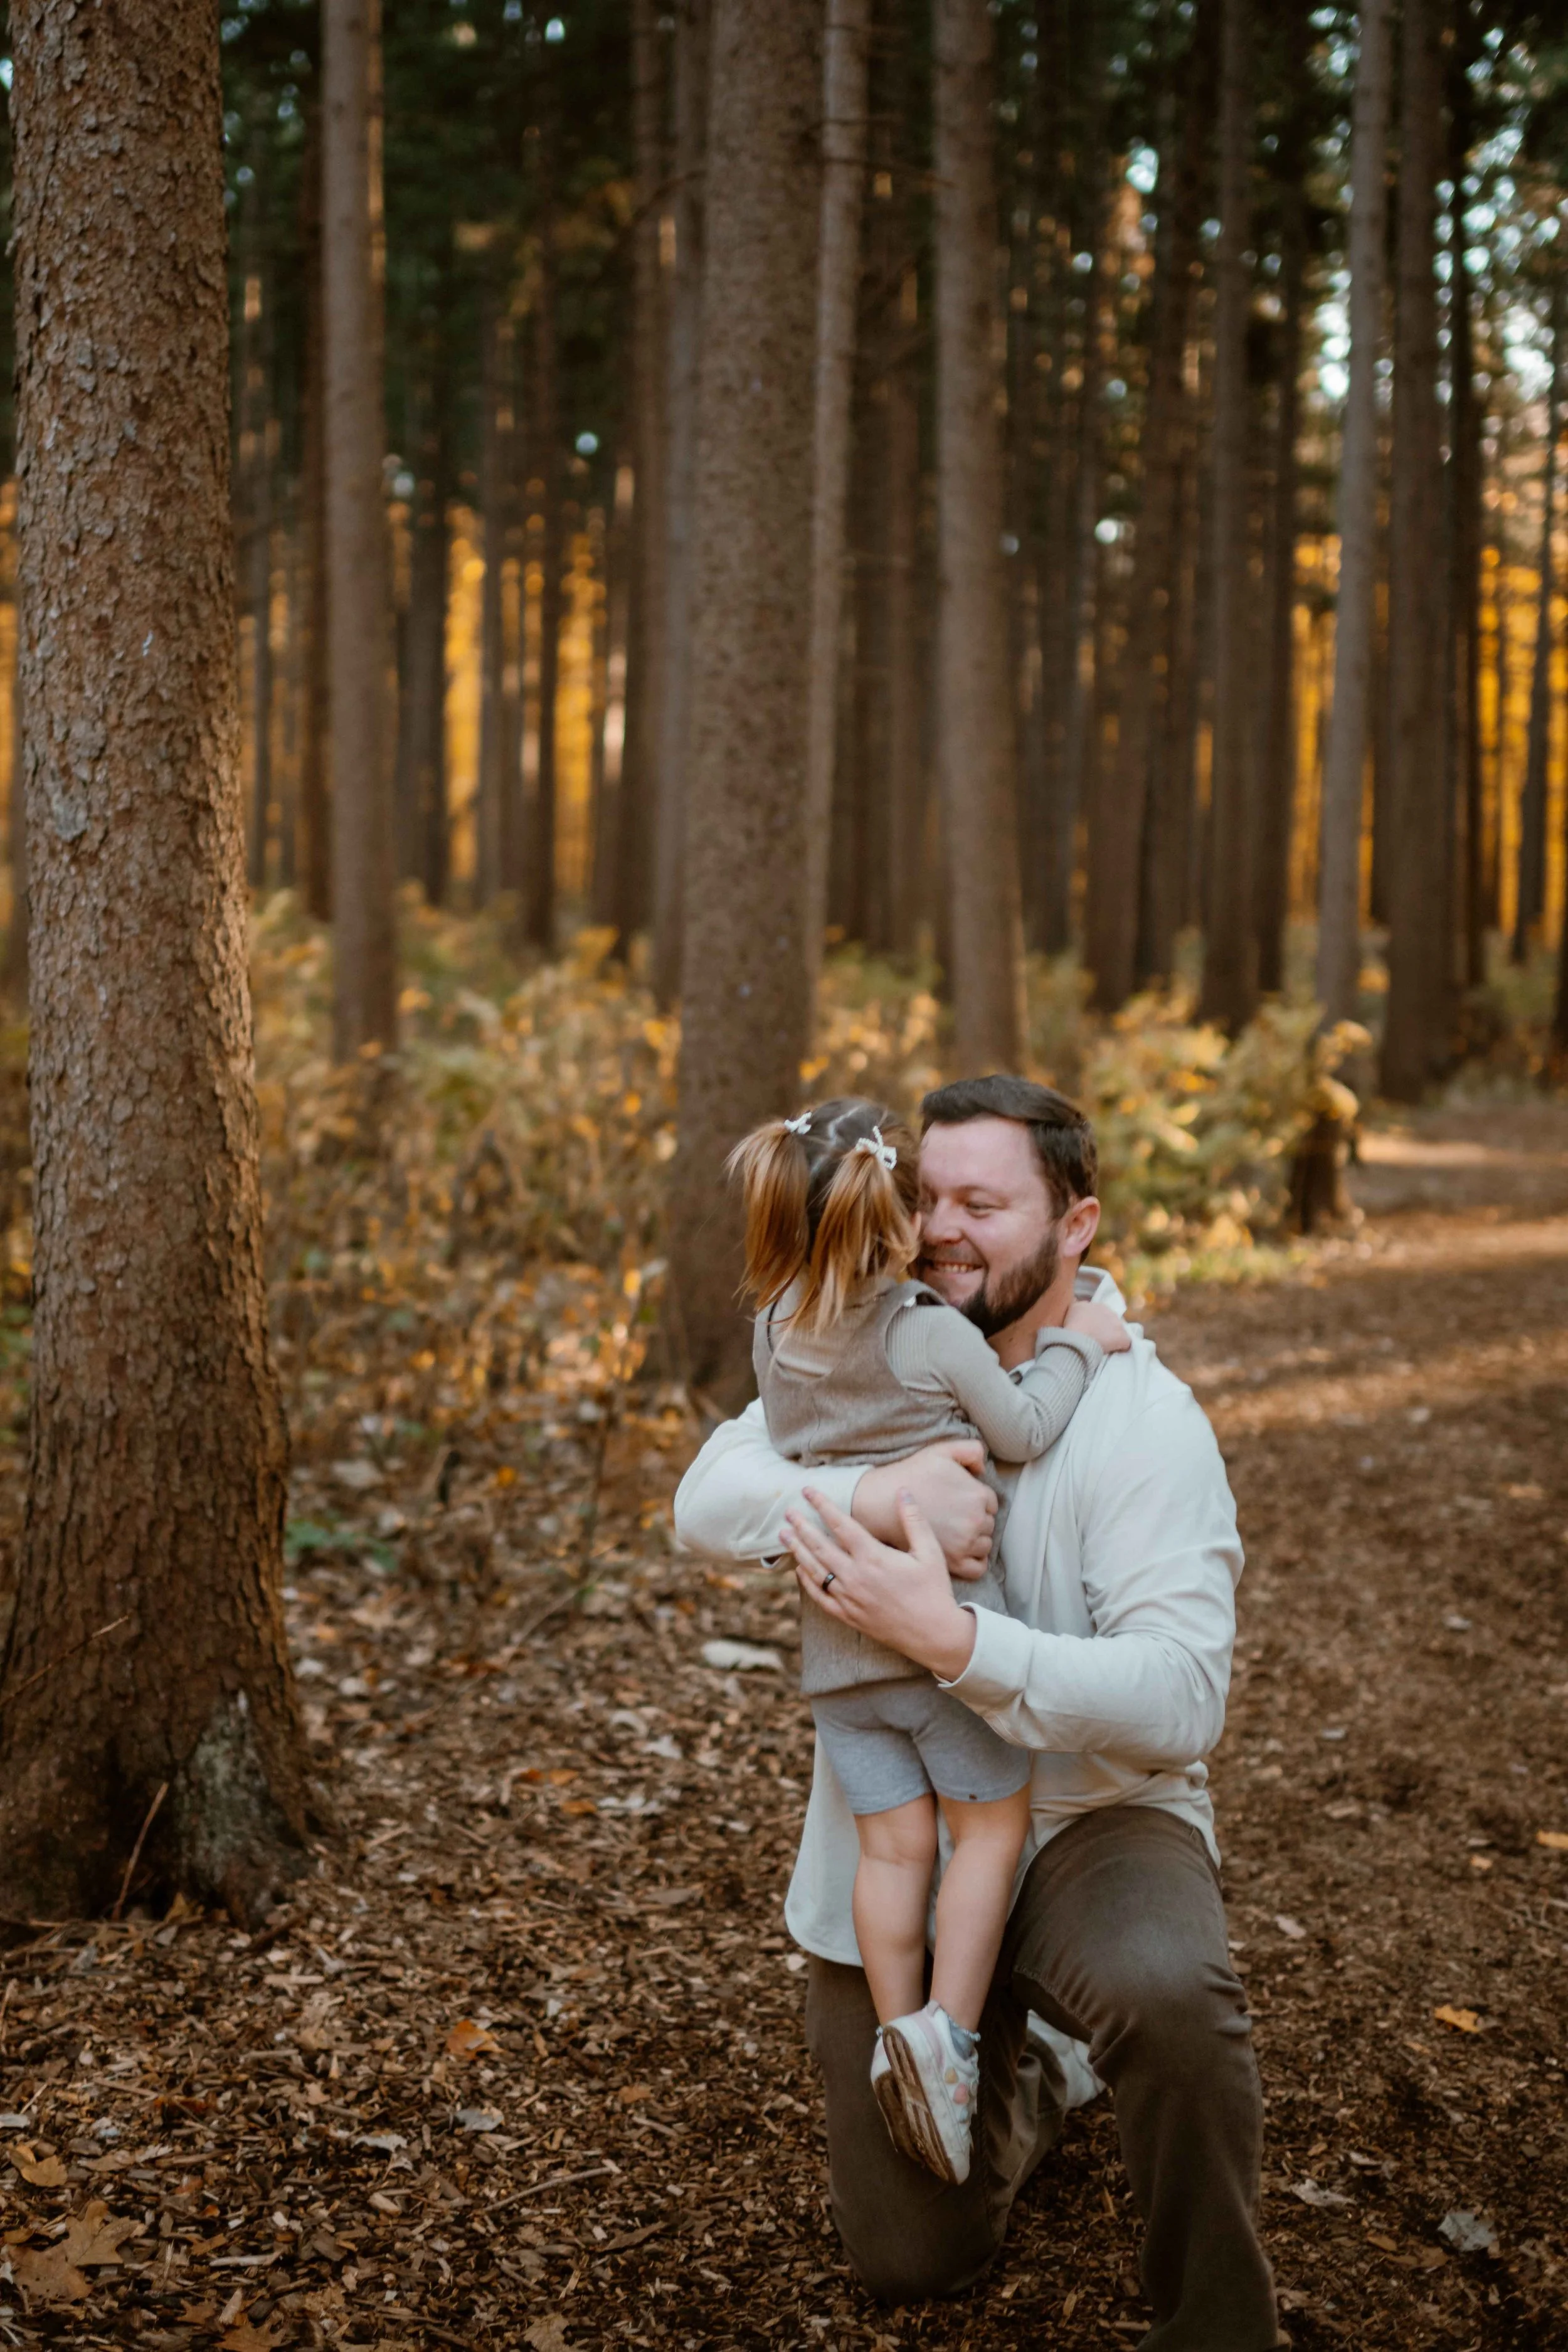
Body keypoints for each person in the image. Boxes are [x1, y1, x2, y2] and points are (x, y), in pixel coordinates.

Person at [676, 1076, 1281, 2352]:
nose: (943, 1227)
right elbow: (708, 1501)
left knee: (1164, 1987)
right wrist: (886, 1493)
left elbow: (1181, 1699)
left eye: (983, 1205)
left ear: (1075, 1228)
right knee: (908, 2262)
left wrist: (952, 1642)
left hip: (1082, 1816)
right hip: (901, 1828)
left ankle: (1219, 2322)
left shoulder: (1140, 1422)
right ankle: (1021, 2071)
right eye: (928, 1196)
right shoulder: (860, 1332)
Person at [728, 1095, 1129, 2183]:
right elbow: (1026, 1427)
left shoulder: (775, 1330)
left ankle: (892, 2033)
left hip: (837, 1659)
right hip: (938, 1642)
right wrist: (1078, 1345)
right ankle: (947, 2041)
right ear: (899, 1218)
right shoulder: (929, 1331)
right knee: (986, 1833)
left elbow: (775, 1462)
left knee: (893, 1851)